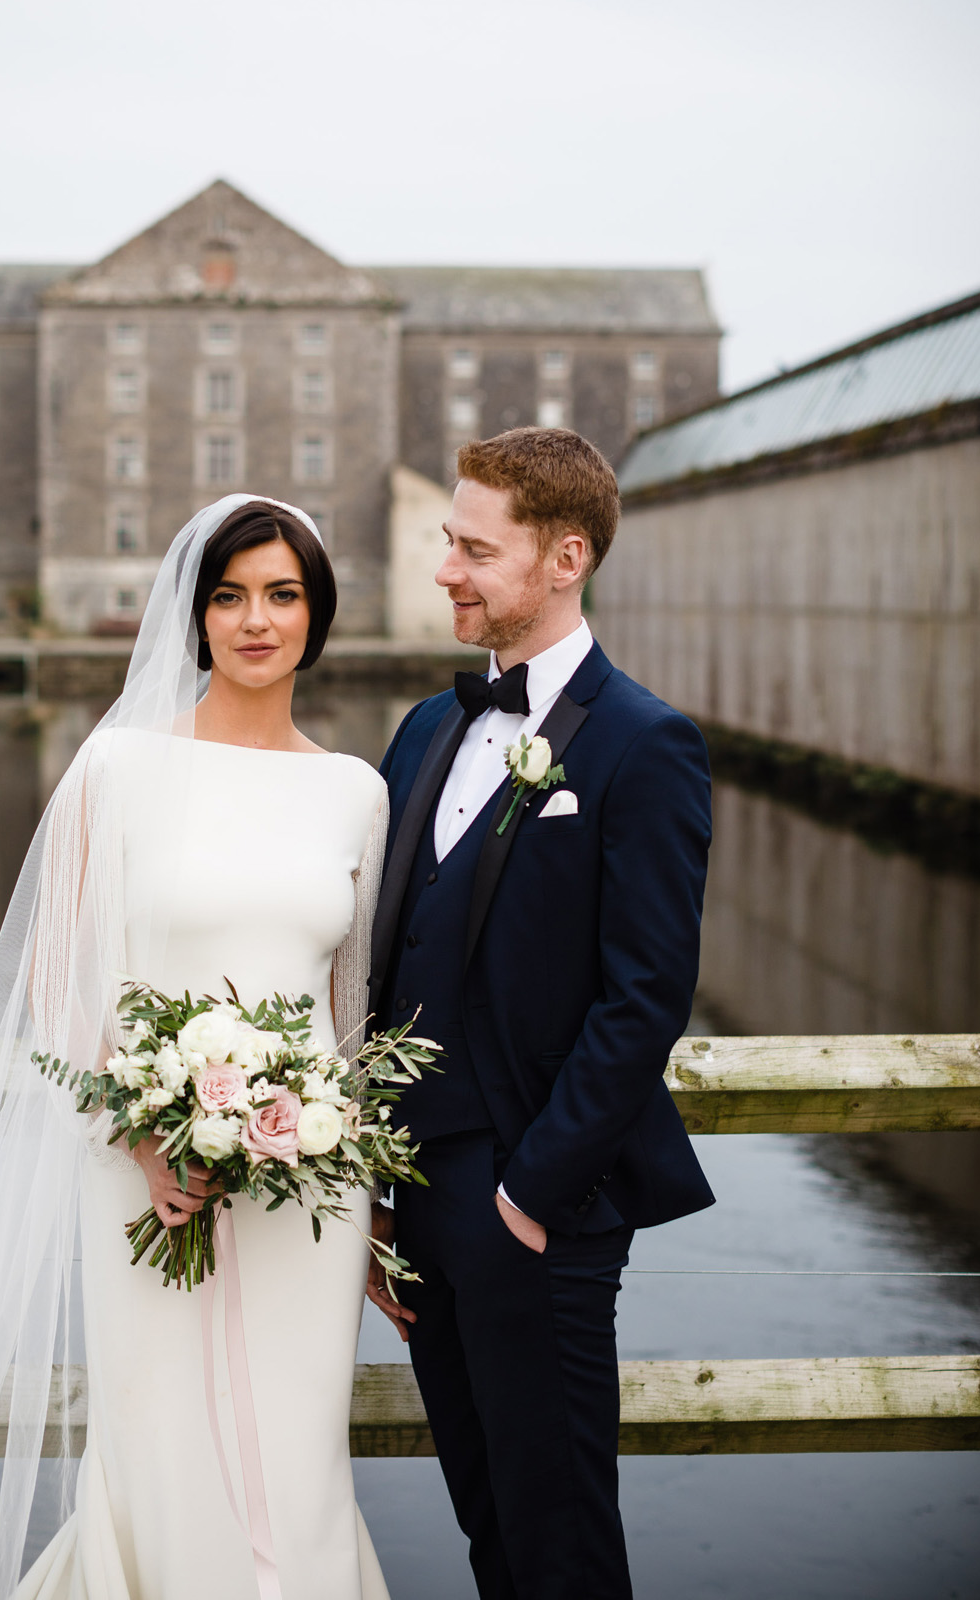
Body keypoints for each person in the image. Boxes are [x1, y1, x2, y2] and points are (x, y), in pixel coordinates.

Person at [0, 496, 390, 1600]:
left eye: (282, 595)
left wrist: (360, 1185)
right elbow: (59, 988)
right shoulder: (114, 771)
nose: (255, 620)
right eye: (229, 595)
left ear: (318, 613)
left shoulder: (357, 791)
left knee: (298, 1456)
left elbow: (348, 1022)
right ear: (196, 613)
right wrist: (145, 1135)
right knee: (158, 1443)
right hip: (141, 1173)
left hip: (311, 1191)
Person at [365, 428, 714, 1600]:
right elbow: (390, 957)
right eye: (448, 542)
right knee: (491, 1541)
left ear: (566, 556)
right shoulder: (424, 728)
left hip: (536, 1211)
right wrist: (374, 1188)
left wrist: (528, 1198)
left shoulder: (645, 745)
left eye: (473, 547)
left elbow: (646, 995)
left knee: (562, 1549)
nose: (446, 569)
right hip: (416, 1206)